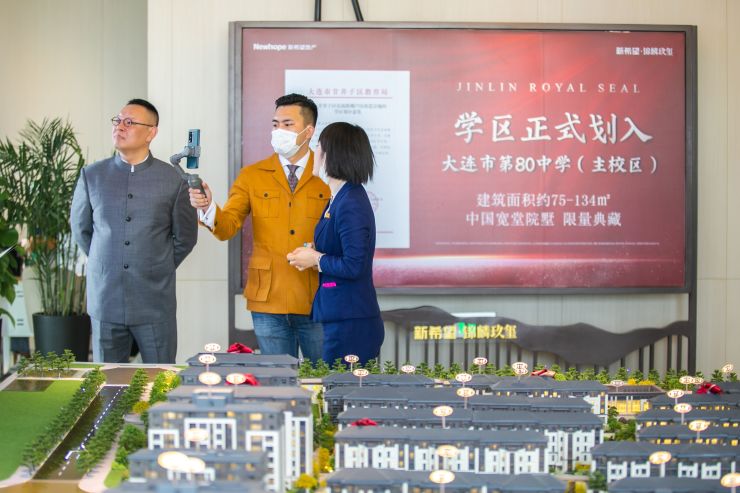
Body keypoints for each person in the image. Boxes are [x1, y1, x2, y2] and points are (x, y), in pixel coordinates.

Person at [188, 94, 329, 361]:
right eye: (275, 124)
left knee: (322, 376)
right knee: (277, 377)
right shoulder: (252, 175)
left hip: (318, 296)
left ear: (308, 131)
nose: (278, 131)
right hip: (268, 298)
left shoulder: (327, 173)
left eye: (288, 124)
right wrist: (207, 208)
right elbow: (227, 226)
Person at [70, 98, 197, 363]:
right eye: (117, 120)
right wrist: (107, 261)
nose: (120, 126)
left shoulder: (173, 180)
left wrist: (157, 265)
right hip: (106, 298)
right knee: (106, 381)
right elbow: (82, 231)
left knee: (160, 378)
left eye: (129, 122)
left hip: (154, 300)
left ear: (151, 132)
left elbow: (185, 237)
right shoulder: (92, 175)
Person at [287, 122, 384, 365]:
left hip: (351, 321)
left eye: (318, 147)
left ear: (333, 154)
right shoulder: (339, 197)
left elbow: (354, 265)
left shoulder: (350, 201)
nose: (314, 153)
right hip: (341, 315)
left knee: (340, 387)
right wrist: (313, 255)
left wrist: (316, 259)